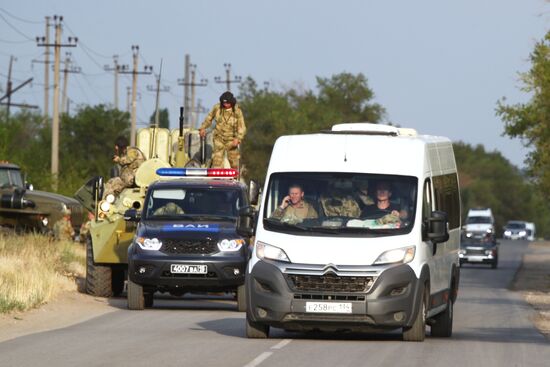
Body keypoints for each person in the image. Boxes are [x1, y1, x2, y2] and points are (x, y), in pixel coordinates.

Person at [199, 91, 246, 169]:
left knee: (234, 162)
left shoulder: (237, 111)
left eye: (228, 103)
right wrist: (203, 128)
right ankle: (218, 179)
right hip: (219, 139)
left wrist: (238, 139)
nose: (226, 105)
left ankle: (235, 178)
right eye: (224, 103)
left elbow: (242, 127)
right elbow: (209, 118)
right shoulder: (217, 108)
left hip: (231, 140)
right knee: (217, 161)